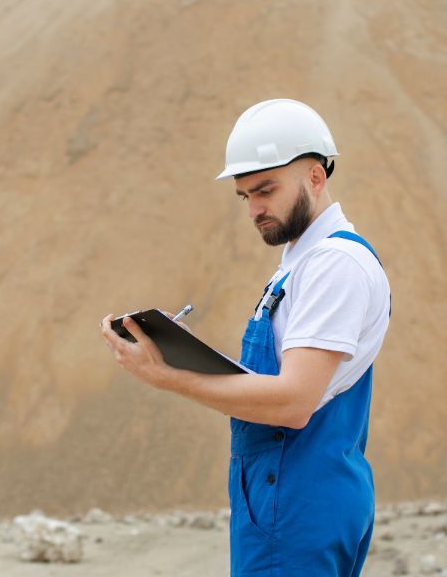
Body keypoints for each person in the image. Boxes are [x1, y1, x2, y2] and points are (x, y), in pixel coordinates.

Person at [100, 98, 391, 576]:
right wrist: (182, 351)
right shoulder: (301, 264)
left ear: (316, 177)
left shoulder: (334, 265)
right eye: (244, 196)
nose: (254, 209)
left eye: (266, 190)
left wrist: (167, 377)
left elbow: (294, 401)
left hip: (299, 499)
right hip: (286, 496)